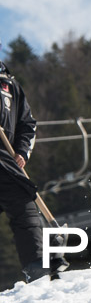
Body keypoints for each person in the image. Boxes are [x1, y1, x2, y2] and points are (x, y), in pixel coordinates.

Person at [0, 41, 55, 282]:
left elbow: (27, 124)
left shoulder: (9, 84)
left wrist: (22, 151)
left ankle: (38, 270)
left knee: (24, 205)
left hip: (6, 163)